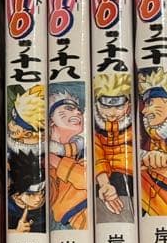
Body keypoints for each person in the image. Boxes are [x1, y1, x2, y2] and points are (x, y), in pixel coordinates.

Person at [137, 68, 167, 217]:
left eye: (150, 103)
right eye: (145, 104)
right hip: (151, 197)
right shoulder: (146, 136)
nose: (144, 111)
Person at [92, 72, 135, 222]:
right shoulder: (92, 128)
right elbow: (96, 154)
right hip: (104, 181)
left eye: (119, 106)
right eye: (105, 106)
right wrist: (104, 183)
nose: (111, 113)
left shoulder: (137, 125)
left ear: (128, 104)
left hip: (134, 180)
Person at [46, 88, 87, 230]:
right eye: (69, 109)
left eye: (79, 110)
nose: (78, 113)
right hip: (73, 220)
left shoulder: (83, 151)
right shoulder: (40, 157)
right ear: (50, 120)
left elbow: (88, 180)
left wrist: (56, 162)